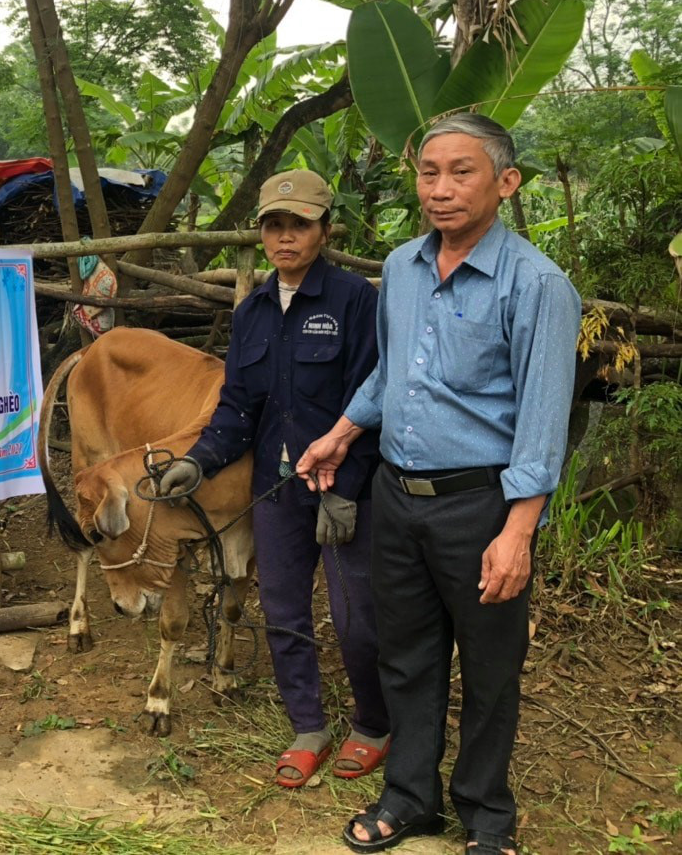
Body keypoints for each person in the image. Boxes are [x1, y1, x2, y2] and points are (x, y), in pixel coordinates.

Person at [296, 114, 581, 855]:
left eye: (463, 172)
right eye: (429, 172)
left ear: (505, 182)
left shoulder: (539, 285)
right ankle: (410, 797)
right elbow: (393, 374)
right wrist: (344, 430)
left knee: (490, 667)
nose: (442, 189)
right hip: (398, 497)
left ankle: (487, 815)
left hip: (481, 505)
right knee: (407, 655)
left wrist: (518, 532)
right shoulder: (400, 268)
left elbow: (543, 422)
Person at [159, 169, 390, 789]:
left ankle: (373, 724)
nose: (286, 237)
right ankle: (308, 726)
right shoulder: (254, 310)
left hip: (345, 488)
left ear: (324, 229)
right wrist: (198, 462)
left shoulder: (354, 301)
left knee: (355, 617)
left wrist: (348, 486)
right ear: (262, 233)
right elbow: (238, 407)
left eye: (300, 225)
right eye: (274, 226)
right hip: (278, 488)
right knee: (284, 610)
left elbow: (375, 397)